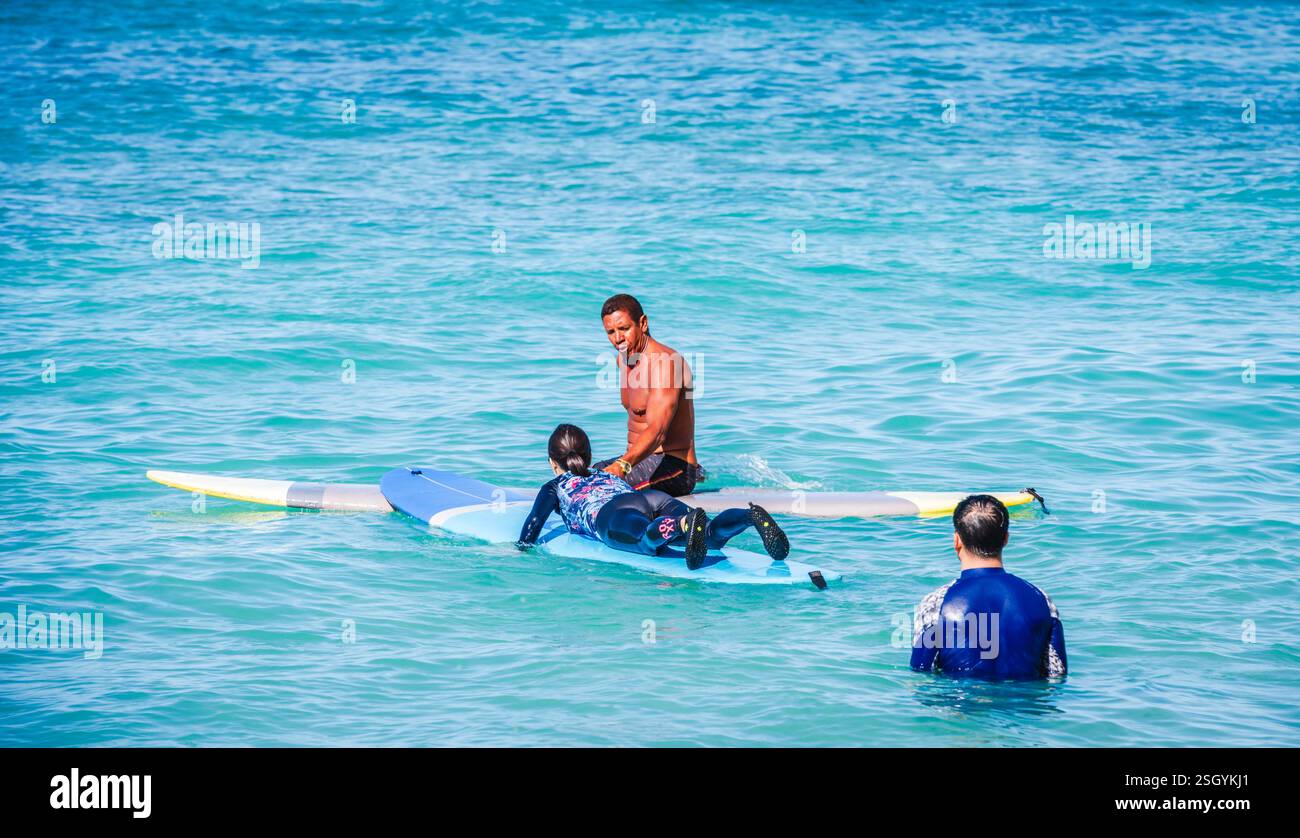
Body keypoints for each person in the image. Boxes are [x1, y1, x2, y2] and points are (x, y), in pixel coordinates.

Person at [517, 424, 789, 571]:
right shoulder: (601, 470)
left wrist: (520, 551)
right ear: (588, 455)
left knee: (646, 541)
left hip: (611, 515)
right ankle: (749, 516)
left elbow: (533, 526)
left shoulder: (554, 487)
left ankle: (683, 525)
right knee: (710, 535)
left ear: (553, 462)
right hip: (649, 497)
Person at [910, 495, 1067, 680]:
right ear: (1006, 539)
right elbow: (1058, 674)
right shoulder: (1042, 600)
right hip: (1024, 707)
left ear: (957, 540)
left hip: (964, 706)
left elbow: (920, 676)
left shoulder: (936, 604)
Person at [593, 294, 704, 497]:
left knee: (599, 489)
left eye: (624, 329)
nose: (618, 339)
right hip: (638, 462)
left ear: (643, 323)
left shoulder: (666, 364)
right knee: (583, 476)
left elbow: (657, 431)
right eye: (611, 332)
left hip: (675, 467)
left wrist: (623, 465)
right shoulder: (623, 360)